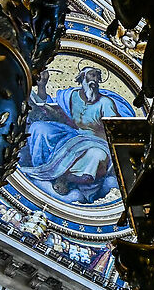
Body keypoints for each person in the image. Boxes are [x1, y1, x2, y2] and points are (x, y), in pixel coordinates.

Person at [19, 64, 138, 202]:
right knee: (39, 128)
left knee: (96, 154)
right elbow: (48, 105)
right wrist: (42, 86)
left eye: (97, 77)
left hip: (97, 141)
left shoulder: (106, 102)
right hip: (72, 134)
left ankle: (66, 178)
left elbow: (114, 127)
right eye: (91, 76)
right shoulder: (70, 96)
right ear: (82, 79)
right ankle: (41, 169)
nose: (94, 80)